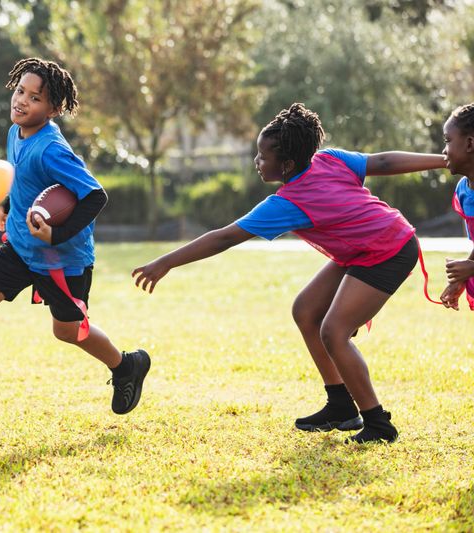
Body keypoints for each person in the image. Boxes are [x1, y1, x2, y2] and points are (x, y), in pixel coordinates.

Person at [132, 103, 446, 444]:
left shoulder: (289, 202)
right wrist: (445, 160)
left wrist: (166, 262)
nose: (257, 162)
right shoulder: (330, 159)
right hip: (363, 247)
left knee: (334, 331)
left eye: (263, 156)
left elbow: (224, 237)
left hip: (390, 248)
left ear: (287, 164)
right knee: (306, 311)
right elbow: (380, 162)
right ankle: (341, 406)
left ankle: (378, 423)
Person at [0, 58, 150, 425]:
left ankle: (127, 365)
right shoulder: (15, 132)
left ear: (54, 109)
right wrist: (5, 206)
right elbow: (22, 181)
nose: (22, 101)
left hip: (63, 260)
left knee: (68, 331)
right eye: (20, 91)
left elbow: (95, 196)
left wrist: (57, 233)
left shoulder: (52, 149)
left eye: (35, 98)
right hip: (19, 247)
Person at [440, 103, 474, 311]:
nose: (444, 150)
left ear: (470, 144)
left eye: (448, 141)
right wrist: (460, 279)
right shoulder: (463, 190)